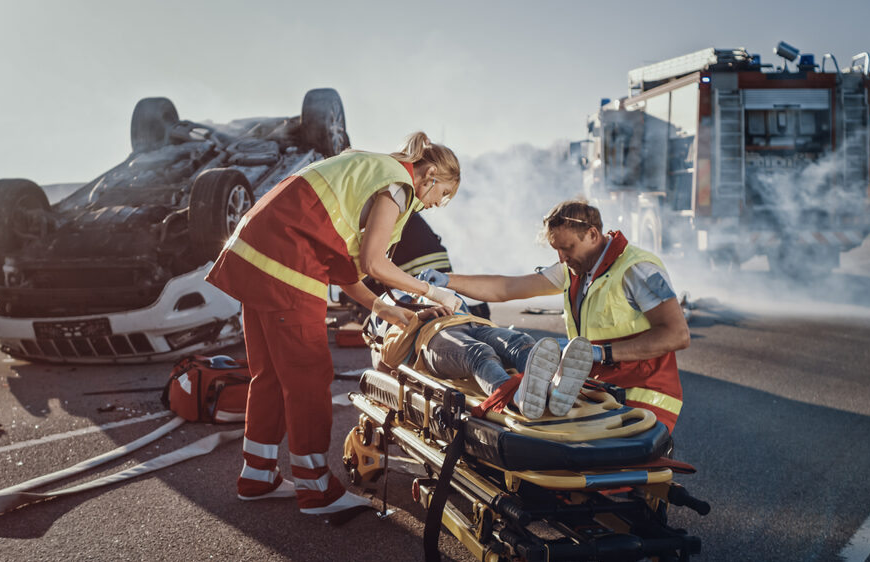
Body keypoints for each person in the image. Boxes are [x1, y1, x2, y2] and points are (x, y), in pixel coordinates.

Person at [205, 132, 462, 516]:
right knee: (308, 376)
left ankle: (257, 476)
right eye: (442, 195)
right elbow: (376, 263)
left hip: (254, 253)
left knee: (271, 375)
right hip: (289, 264)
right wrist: (431, 291)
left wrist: (382, 306)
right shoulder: (399, 185)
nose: (435, 205)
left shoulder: (367, 167)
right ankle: (316, 489)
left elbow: (343, 267)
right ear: (430, 177)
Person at [419, 200, 690, 433]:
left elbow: (677, 334)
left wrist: (601, 354)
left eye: (567, 248)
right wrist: (447, 280)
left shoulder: (638, 269)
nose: (561, 257)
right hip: (601, 389)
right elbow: (507, 288)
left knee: (585, 471)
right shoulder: (574, 269)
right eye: (556, 250)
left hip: (645, 398)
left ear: (593, 235)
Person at [367, 290, 595, 419]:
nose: (414, 300)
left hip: (473, 324)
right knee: (479, 354)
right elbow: (391, 357)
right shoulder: (399, 323)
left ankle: (552, 390)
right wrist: (419, 317)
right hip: (433, 340)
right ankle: (515, 401)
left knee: (522, 342)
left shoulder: (450, 306)